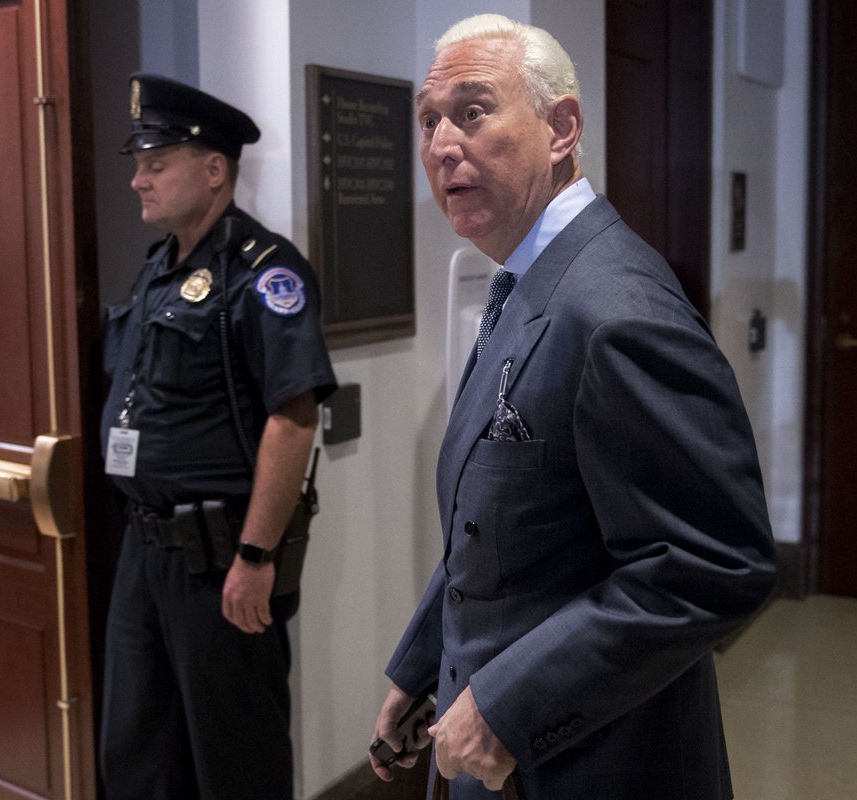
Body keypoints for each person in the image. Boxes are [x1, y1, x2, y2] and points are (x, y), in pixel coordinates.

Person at [369, 15, 776, 800]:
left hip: (595, 761)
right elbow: (501, 525)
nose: (442, 143)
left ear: (561, 129)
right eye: (429, 119)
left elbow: (715, 562)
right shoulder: (527, 285)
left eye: (473, 111)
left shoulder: (617, 307)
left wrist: (504, 704)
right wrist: (426, 663)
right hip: (492, 744)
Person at [98, 73, 336, 800]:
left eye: (155, 163)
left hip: (220, 559)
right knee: (138, 753)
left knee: (236, 761)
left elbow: (294, 417)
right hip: (143, 551)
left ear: (212, 170)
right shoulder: (157, 268)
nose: (138, 179)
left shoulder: (264, 273)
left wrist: (256, 555)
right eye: (138, 163)